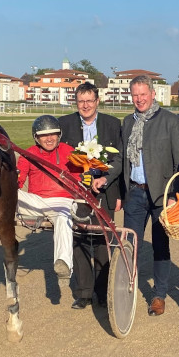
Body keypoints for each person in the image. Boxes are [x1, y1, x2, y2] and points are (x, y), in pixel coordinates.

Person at [122, 75, 179, 316]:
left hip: (162, 195)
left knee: (160, 245)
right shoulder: (128, 122)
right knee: (130, 246)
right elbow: (123, 160)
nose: (139, 99)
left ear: (153, 94)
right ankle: (127, 289)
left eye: (143, 94)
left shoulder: (170, 121)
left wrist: (176, 195)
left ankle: (159, 295)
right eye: (135, 95)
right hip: (135, 194)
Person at [58, 82, 122, 309]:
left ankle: (103, 292)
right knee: (79, 238)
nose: (85, 105)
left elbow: (119, 159)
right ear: (76, 102)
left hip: (104, 189)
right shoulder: (63, 124)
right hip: (75, 192)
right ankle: (84, 292)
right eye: (81, 101)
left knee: (103, 240)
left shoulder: (113, 124)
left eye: (89, 101)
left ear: (97, 101)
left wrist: (111, 185)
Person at [17, 115, 83, 283]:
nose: (49, 138)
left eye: (53, 134)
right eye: (44, 135)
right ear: (36, 137)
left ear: (59, 134)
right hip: (35, 202)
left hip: (62, 202)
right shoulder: (28, 154)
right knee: (8, 192)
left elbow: (80, 179)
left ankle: (63, 265)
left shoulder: (69, 152)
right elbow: (18, 182)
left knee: (63, 217)